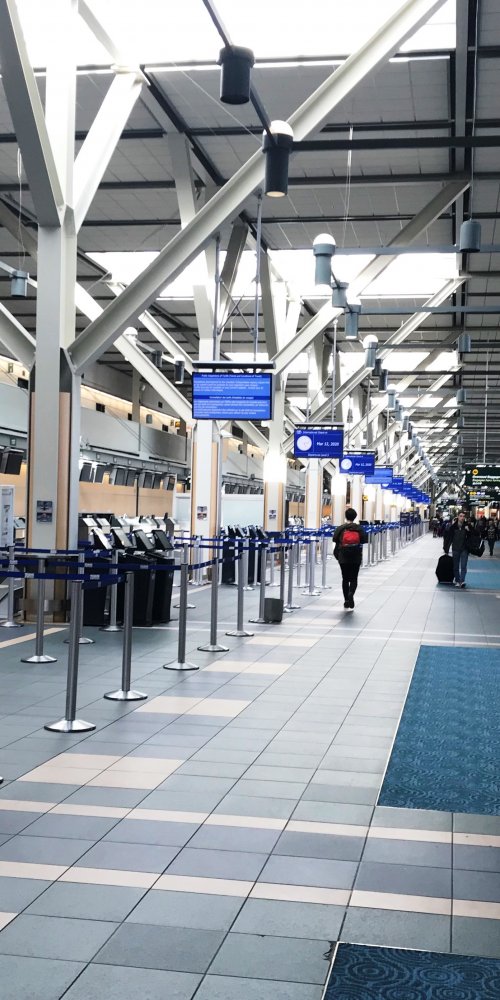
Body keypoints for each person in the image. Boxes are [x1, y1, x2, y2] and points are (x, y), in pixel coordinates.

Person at [333, 508, 368, 610]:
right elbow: (364, 540)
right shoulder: (359, 528)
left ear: (346, 516)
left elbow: (335, 539)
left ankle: (346, 601)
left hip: (343, 556)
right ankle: (351, 593)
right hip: (356, 556)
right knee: (354, 578)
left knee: (345, 578)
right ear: (355, 517)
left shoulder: (341, 528)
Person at [443, 512, 473, 588]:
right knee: (455, 566)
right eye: (461, 516)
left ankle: (462, 581)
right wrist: (446, 549)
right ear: (458, 517)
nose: (462, 518)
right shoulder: (453, 527)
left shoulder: (467, 526)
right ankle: (457, 580)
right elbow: (448, 538)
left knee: (463, 566)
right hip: (455, 549)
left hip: (464, 549)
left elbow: (474, 535)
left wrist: (469, 531)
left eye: (463, 516)